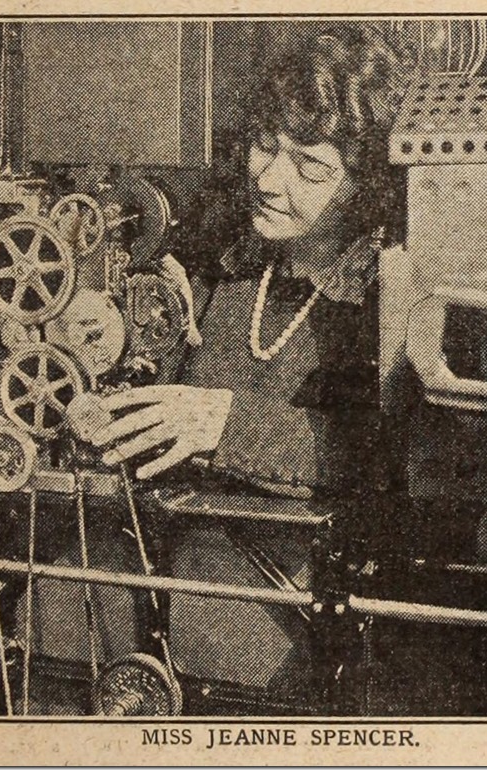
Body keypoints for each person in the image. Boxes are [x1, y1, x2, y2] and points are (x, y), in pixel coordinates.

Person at [85, 25, 411, 708]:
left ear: (368, 188)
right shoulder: (224, 271)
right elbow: (143, 386)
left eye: (310, 168)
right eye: (266, 145)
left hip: (293, 648)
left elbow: (387, 462)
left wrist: (226, 423)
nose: (268, 176)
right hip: (160, 616)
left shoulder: (387, 301)